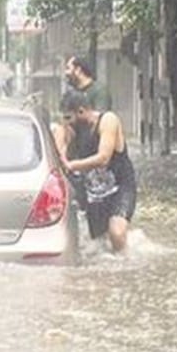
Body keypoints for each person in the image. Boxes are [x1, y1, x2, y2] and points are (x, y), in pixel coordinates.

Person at [60, 89, 136, 254]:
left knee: (116, 233)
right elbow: (62, 156)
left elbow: (104, 157)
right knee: (97, 246)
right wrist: (64, 137)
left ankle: (125, 267)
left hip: (120, 187)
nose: (66, 122)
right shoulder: (73, 129)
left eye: (68, 117)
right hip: (94, 193)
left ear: (81, 111)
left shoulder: (108, 120)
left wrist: (73, 165)